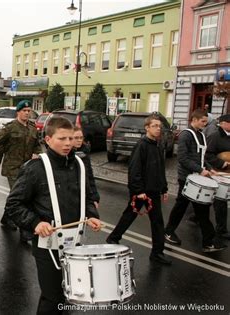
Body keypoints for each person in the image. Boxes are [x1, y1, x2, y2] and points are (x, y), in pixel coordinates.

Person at [5, 116, 101, 314]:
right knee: (52, 297)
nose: (68, 144)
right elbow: (13, 205)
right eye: (62, 139)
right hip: (47, 245)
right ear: (48, 140)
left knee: (69, 295)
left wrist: (91, 214)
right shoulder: (35, 168)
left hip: (74, 242)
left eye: (70, 138)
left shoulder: (79, 165)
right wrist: (35, 223)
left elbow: (87, 197)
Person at [106, 114, 171, 264]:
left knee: (157, 222)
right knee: (130, 215)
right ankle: (113, 238)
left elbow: (160, 169)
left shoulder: (158, 145)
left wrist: (164, 188)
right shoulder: (141, 145)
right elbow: (134, 170)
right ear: (147, 128)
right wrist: (138, 191)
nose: (158, 129)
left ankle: (157, 253)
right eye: (154, 126)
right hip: (142, 191)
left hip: (154, 191)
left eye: (159, 126)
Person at [164, 109, 227, 252]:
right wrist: (200, 170)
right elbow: (182, 158)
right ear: (194, 120)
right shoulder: (186, 135)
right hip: (187, 178)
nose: (205, 124)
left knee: (186, 208)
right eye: (203, 121)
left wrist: (210, 169)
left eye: (206, 121)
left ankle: (169, 231)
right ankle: (208, 242)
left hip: (197, 178)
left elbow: (202, 157)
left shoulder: (201, 135)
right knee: (199, 209)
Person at [0, 100, 42, 241]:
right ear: (18, 112)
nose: (27, 113)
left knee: (17, 195)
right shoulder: (9, 128)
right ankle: (25, 231)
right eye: (24, 111)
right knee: (22, 197)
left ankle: (6, 218)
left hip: (27, 167)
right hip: (12, 167)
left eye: (29, 111)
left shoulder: (33, 128)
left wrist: (37, 153)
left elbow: (37, 145)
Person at [205, 114, 230, 240]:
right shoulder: (215, 136)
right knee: (221, 201)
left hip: (228, 173)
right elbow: (207, 155)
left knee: (212, 199)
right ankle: (221, 229)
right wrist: (221, 163)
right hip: (217, 173)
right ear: (224, 123)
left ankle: (195, 216)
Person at [70, 126, 100, 208]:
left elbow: (89, 176)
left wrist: (94, 197)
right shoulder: (65, 154)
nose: (79, 140)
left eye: (81, 137)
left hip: (84, 193)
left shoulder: (84, 152)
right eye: (76, 138)